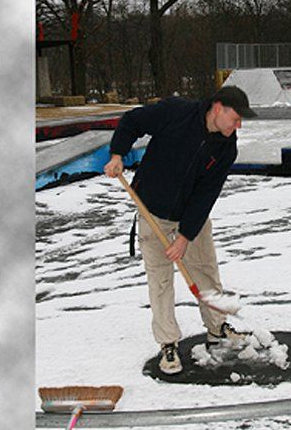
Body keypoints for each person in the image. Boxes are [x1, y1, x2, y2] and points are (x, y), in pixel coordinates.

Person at [103, 86, 252, 375]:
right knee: (160, 281)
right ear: (218, 108)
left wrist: (185, 236)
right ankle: (168, 343)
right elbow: (132, 121)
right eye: (236, 118)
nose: (238, 126)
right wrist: (118, 154)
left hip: (190, 216)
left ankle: (217, 328)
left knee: (206, 272)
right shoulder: (176, 112)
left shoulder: (226, 147)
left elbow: (205, 195)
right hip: (153, 211)